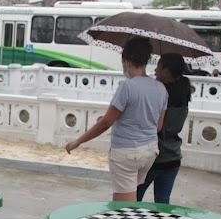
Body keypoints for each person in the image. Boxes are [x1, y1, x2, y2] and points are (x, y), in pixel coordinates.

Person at [65, 36, 167, 202]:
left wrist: (78, 141)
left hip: (127, 153)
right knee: (132, 195)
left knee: (123, 207)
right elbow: (159, 126)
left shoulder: (127, 87)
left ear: (126, 61)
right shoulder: (161, 88)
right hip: (150, 151)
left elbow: (105, 123)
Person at [137, 53, 192, 219]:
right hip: (173, 157)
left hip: (154, 156)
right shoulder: (183, 91)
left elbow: (152, 124)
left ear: (169, 71)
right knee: (162, 210)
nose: (156, 70)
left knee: (132, 202)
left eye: (159, 67)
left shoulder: (161, 92)